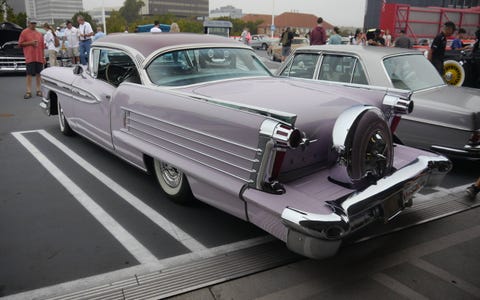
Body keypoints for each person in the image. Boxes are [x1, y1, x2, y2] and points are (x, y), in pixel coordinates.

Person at [18, 18, 45, 99]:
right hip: (30, 56)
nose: (33, 25)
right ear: (28, 23)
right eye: (32, 23)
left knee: (38, 74)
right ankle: (28, 91)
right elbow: (20, 44)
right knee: (29, 74)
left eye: (34, 23)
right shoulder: (24, 32)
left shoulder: (39, 34)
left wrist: (43, 57)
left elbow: (42, 47)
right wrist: (30, 43)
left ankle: (38, 90)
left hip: (39, 57)